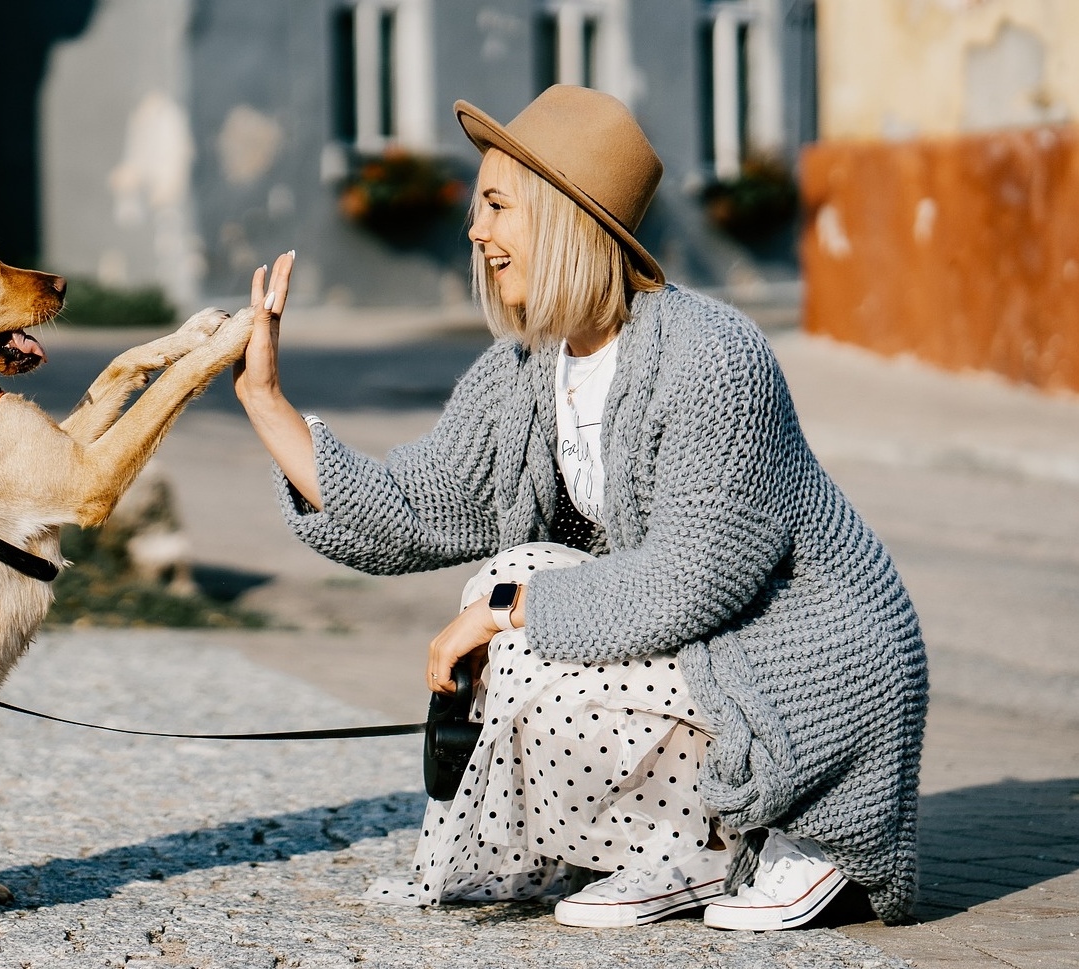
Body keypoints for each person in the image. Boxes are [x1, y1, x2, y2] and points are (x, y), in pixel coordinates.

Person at [231, 86, 927, 930]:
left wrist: (504, 615)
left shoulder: (712, 356)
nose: (475, 231)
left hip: (809, 668)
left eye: (496, 205)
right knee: (511, 578)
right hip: (706, 655)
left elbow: (690, 581)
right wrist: (268, 402)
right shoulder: (528, 368)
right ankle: (671, 847)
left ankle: (762, 835)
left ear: (563, 215)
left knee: (515, 607)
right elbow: (416, 507)